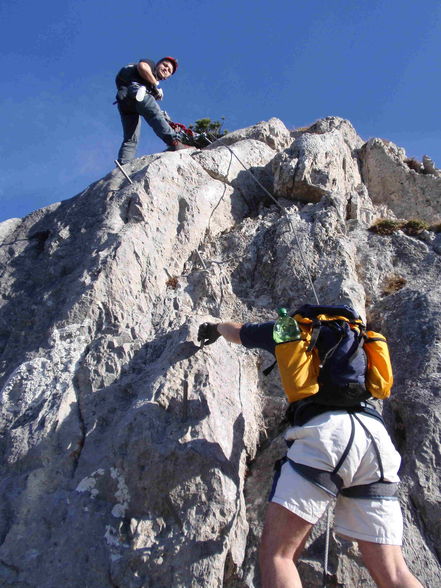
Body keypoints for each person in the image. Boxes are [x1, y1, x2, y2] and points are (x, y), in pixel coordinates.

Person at [197, 318, 423, 588]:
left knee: (280, 556)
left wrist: (215, 328)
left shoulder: (291, 329)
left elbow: (237, 332)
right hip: (375, 439)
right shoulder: (358, 339)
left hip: (326, 433)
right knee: (395, 572)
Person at [115, 57, 190, 164]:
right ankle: (174, 141)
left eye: (169, 70)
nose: (166, 69)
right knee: (155, 114)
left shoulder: (149, 84)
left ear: (166, 77)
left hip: (125, 102)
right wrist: (155, 85)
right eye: (164, 65)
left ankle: (124, 163)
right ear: (157, 64)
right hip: (135, 92)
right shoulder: (150, 65)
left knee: (131, 138)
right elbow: (142, 66)